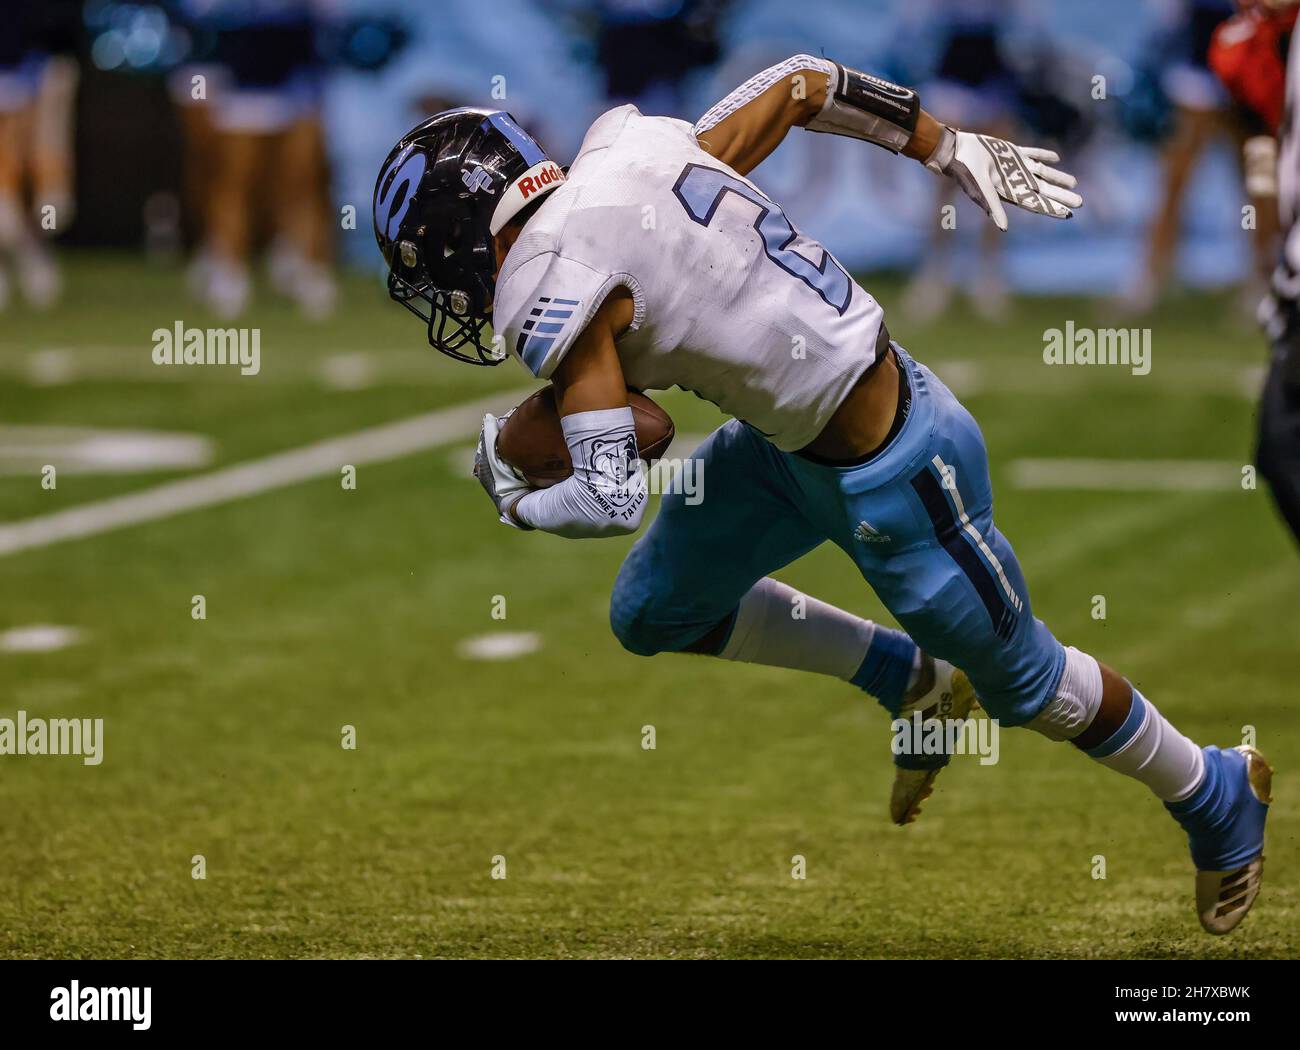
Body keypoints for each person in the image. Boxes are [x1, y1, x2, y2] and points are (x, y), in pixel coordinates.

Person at [372, 57, 1272, 935]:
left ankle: (1212, 790)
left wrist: (513, 496)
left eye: (430, 264)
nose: (442, 289)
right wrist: (943, 144)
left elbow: (609, 494)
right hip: (780, 446)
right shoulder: (625, 147)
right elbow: (805, 80)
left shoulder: (545, 281)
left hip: (899, 467)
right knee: (653, 612)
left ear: (459, 230)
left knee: (1031, 687)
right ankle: (906, 677)